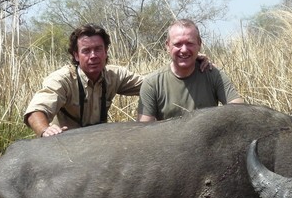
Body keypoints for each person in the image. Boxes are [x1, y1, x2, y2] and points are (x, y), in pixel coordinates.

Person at [24, 23, 211, 137]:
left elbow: (154, 83)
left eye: (98, 49)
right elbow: (36, 111)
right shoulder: (63, 79)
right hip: (65, 145)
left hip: (96, 145)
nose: (93, 56)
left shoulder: (114, 75)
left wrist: (187, 61)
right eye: (86, 51)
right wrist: (45, 130)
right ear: (75, 55)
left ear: (106, 52)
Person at [137, 19, 243, 122]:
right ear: (167, 46)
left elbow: (240, 111)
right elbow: (143, 130)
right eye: (178, 44)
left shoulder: (213, 73)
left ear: (199, 44)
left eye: (189, 43)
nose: (184, 50)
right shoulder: (152, 83)